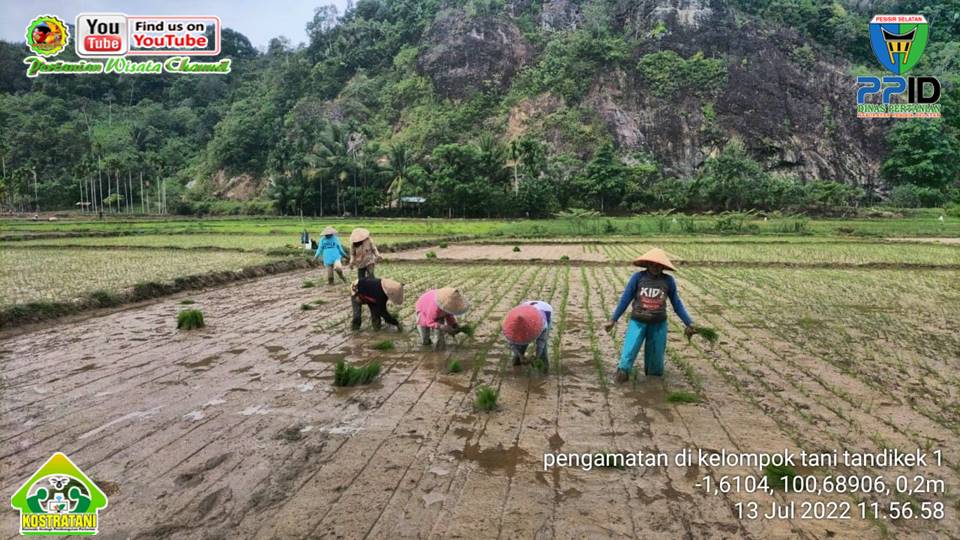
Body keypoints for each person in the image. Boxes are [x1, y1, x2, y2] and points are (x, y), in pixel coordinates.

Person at [604, 248, 696, 382]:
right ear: (647, 264)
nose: (656, 267)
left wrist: (689, 322)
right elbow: (626, 298)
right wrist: (613, 319)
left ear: (663, 267)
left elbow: (676, 303)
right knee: (628, 353)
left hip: (658, 324)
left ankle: (653, 387)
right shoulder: (638, 278)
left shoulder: (668, 281)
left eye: (659, 265)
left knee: (656, 359)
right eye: (652, 264)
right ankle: (621, 377)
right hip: (637, 322)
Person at [503, 300, 553, 369]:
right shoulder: (511, 324)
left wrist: (537, 356)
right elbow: (511, 344)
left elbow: (542, 341)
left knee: (543, 351)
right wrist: (520, 356)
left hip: (545, 310)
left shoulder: (542, 323)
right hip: (525, 308)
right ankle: (517, 365)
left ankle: (544, 368)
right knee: (519, 347)